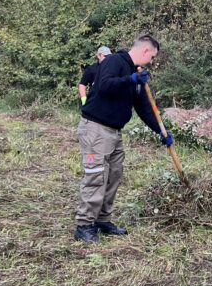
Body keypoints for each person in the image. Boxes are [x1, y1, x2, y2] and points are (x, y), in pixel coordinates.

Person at [74, 34, 173, 243]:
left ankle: (102, 219)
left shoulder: (135, 74)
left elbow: (145, 108)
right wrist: (130, 80)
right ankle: (84, 225)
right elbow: (104, 85)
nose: (152, 62)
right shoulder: (114, 61)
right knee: (96, 176)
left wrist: (162, 132)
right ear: (145, 51)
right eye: (153, 57)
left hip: (114, 132)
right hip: (95, 130)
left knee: (114, 175)